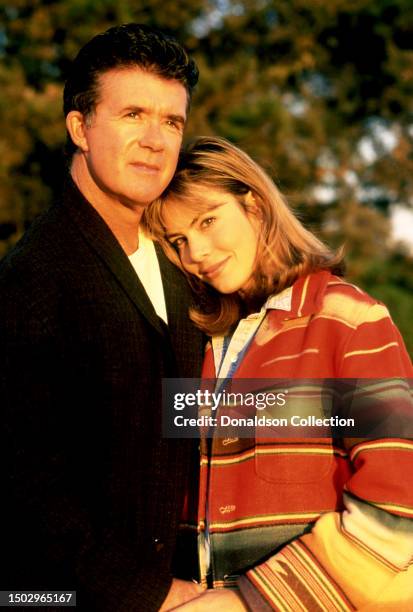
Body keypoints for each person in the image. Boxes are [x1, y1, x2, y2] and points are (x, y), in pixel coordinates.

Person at [146, 136, 413, 611]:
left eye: (208, 220)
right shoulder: (198, 349)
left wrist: (246, 603)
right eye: (179, 241)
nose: (197, 253)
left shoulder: (350, 321)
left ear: (255, 205)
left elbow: (398, 511)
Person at [0, 24, 205, 612]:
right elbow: (25, 489)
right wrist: (157, 596)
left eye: (172, 121)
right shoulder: (32, 279)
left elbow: (184, 413)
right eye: (133, 114)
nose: (156, 140)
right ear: (79, 128)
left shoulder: (182, 264)